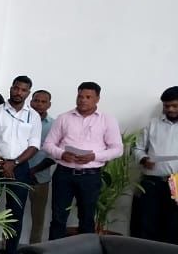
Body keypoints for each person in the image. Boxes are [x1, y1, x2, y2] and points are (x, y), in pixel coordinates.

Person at [43, 82, 123, 239]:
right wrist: (61, 154)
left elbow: (117, 149)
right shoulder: (64, 118)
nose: (83, 100)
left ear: (97, 99)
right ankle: (53, 252)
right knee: (58, 217)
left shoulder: (107, 120)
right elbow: (48, 144)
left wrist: (94, 156)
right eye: (80, 96)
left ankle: (85, 252)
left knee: (87, 218)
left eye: (88, 97)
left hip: (90, 176)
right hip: (64, 174)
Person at [0, 76, 41, 254]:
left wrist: (13, 163)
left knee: (16, 212)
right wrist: (1, 162)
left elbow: (34, 145)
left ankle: (11, 253)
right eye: (16, 88)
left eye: (23, 90)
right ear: (11, 88)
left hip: (19, 168)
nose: (18, 92)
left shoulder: (33, 116)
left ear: (28, 93)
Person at [132, 86, 178, 244]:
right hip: (151, 183)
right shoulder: (153, 124)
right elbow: (138, 148)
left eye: (175, 105)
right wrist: (144, 159)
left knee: (172, 227)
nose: (170, 109)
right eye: (166, 106)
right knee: (145, 226)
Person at [26, 90, 55, 244]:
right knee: (12, 213)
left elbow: (53, 155)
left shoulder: (54, 125)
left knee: (38, 217)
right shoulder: (21, 120)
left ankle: (35, 247)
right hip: (17, 174)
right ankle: (8, 249)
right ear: (31, 102)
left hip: (40, 177)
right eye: (36, 100)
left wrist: (33, 171)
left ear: (49, 105)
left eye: (43, 102)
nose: (39, 104)